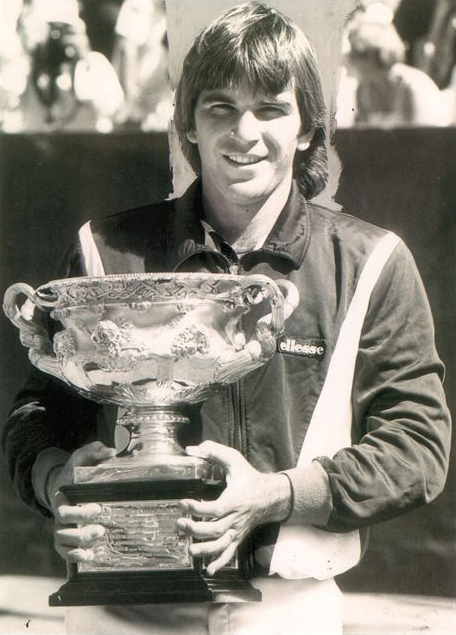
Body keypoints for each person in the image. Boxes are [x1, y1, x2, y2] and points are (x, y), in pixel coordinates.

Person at [2, 3, 451, 634]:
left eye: (271, 108)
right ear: (188, 124)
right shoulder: (104, 252)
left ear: (306, 127)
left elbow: (418, 444)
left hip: (286, 607)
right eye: (220, 107)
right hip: (122, 604)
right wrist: (59, 484)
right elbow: (38, 415)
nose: (244, 132)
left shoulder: (371, 262)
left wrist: (279, 494)